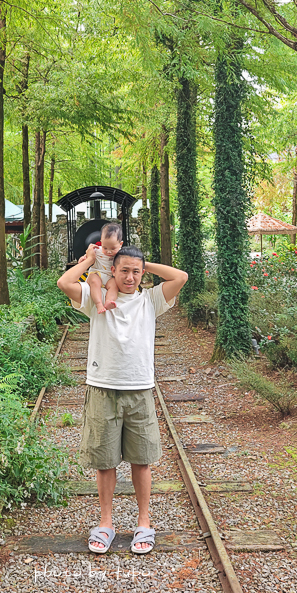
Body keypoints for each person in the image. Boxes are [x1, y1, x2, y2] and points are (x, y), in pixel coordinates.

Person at [57, 245, 189, 555]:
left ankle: (144, 523)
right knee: (105, 463)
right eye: (123, 270)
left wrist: (142, 263)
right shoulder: (96, 299)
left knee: (141, 461)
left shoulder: (150, 300)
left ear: (142, 274)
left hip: (140, 389)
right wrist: (92, 262)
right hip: (102, 387)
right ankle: (106, 524)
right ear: (113, 271)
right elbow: (64, 283)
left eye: (135, 271)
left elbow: (180, 276)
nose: (129, 276)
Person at [84, 222, 124, 314]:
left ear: (120, 244)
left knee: (114, 285)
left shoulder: (122, 254)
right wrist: (84, 258)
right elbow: (88, 255)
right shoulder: (97, 249)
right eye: (105, 248)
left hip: (110, 277)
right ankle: (99, 304)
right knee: (94, 281)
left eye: (113, 248)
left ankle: (109, 302)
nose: (109, 251)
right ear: (101, 242)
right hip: (96, 273)